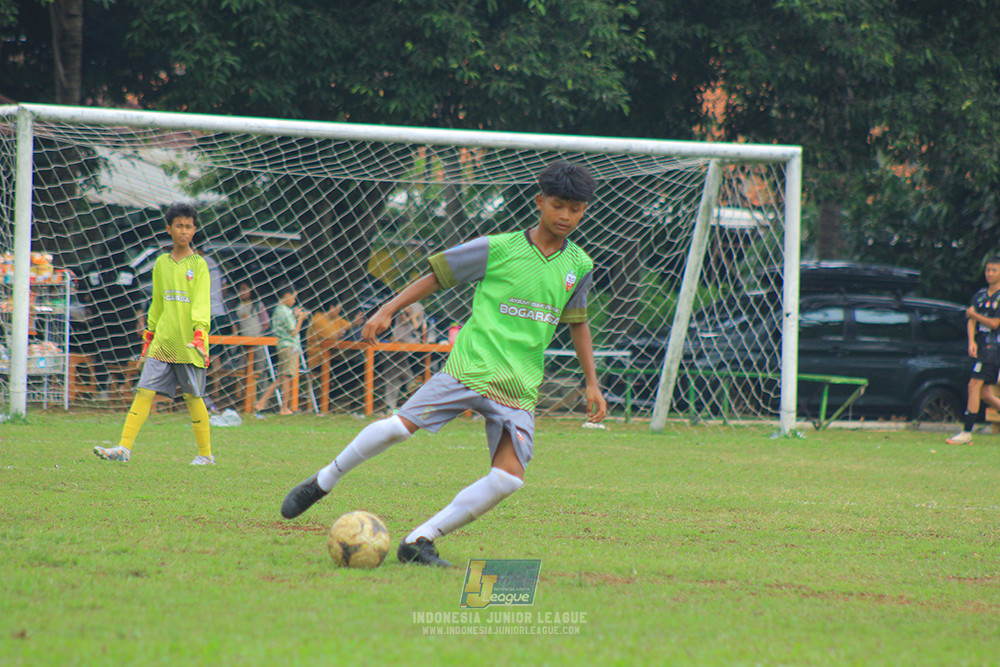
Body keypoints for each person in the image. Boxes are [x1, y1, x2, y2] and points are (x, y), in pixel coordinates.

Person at [280, 161, 608, 567]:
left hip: (520, 385)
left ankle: (420, 540)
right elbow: (436, 276)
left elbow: (578, 323)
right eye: (558, 205)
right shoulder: (498, 248)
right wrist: (387, 309)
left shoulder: (579, 265)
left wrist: (591, 382)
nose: (566, 216)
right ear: (539, 202)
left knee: (508, 478)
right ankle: (324, 480)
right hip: (471, 368)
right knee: (399, 430)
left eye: (576, 210)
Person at [94, 202, 215, 465]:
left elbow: (201, 304)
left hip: (191, 343)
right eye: (179, 226)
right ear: (169, 229)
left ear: (194, 230)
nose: (184, 231)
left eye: (189, 226)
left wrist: (199, 334)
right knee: (144, 391)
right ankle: (123, 448)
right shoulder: (161, 263)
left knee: (193, 397)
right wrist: (148, 337)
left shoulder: (200, 265)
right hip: (162, 342)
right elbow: (157, 303)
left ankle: (205, 455)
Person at [947, 257, 1000, 445]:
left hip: (993, 348)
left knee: (973, 386)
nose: (989, 273)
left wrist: (974, 315)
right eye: (987, 270)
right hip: (981, 345)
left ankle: (967, 432)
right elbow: (971, 319)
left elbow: (994, 323)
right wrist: (971, 341)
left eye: (994, 270)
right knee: (985, 393)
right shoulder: (980, 295)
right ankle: (967, 432)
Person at [255, 285, 309, 417]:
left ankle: (261, 403)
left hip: (283, 346)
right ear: (287, 296)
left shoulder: (282, 310)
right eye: (294, 297)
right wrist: (301, 319)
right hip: (288, 346)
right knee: (286, 377)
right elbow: (294, 331)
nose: (295, 301)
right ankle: (284, 408)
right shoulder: (284, 311)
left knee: (281, 377)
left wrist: (295, 315)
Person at [383, 300, 427, 412]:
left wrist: (411, 316)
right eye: (402, 314)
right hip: (395, 355)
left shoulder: (420, 313)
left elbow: (418, 329)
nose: (403, 316)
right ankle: (409, 379)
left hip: (414, 353)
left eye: (406, 313)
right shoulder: (398, 321)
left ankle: (390, 406)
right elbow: (392, 336)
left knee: (394, 363)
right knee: (392, 369)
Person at [234, 281, 270, 382]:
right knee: (241, 367)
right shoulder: (237, 306)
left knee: (260, 367)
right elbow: (235, 324)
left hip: (257, 340)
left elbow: (266, 323)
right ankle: (239, 393)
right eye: (240, 290)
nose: (242, 292)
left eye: (245, 289)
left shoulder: (257, 305)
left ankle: (260, 392)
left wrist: (259, 334)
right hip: (243, 341)